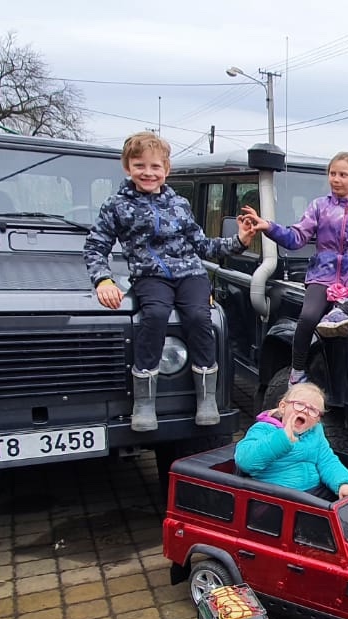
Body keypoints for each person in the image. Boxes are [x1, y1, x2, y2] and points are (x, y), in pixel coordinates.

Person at [84, 131, 254, 431]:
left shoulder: (179, 203)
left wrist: (239, 241)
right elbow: (96, 246)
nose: (148, 173)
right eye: (140, 166)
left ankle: (206, 398)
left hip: (190, 273)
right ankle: (144, 402)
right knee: (156, 315)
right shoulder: (116, 205)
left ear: (166, 169)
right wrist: (103, 280)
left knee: (199, 317)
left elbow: (203, 246)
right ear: (127, 167)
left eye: (155, 167)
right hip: (150, 276)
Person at [237, 152, 348, 385]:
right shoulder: (320, 207)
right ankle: (297, 371)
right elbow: (296, 239)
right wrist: (269, 227)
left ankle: (342, 312)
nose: (336, 179)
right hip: (322, 275)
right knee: (308, 317)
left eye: (343, 174)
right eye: (332, 174)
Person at [234, 382, 348, 500]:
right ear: (283, 407)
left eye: (313, 410)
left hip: (313, 492)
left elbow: (327, 461)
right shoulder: (263, 429)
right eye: (299, 405)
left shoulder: (315, 432)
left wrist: (343, 483)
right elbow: (245, 461)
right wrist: (282, 439)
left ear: (317, 420)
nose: (305, 411)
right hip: (278, 497)